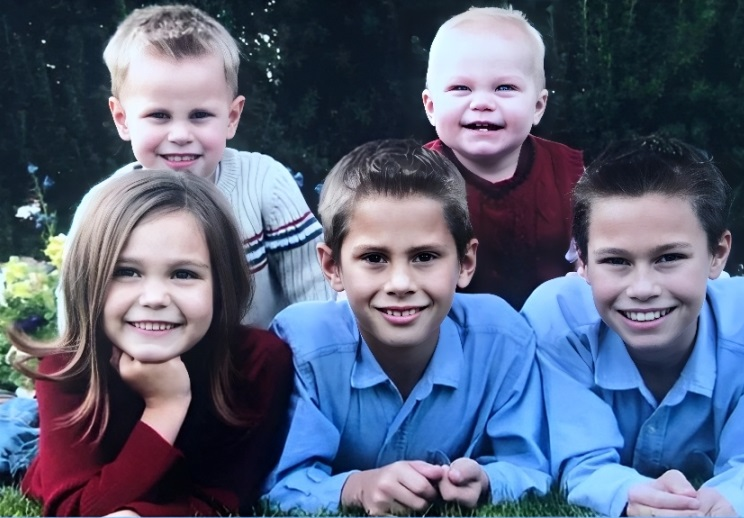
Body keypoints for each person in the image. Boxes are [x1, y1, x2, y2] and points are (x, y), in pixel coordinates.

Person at [521, 136, 744, 516]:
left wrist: (733, 502)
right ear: (582, 261)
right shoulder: (557, 323)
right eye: (616, 261)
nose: (643, 289)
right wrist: (625, 493)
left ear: (717, 254)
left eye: (669, 257)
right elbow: (575, 457)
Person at [260, 139, 550, 515]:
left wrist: (488, 481)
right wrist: (356, 488)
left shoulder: (502, 341)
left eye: (425, 256)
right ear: (333, 267)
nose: (400, 283)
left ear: (465, 262)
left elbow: (531, 466)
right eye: (374, 258)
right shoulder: (303, 346)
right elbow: (278, 485)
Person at [11, 170, 293, 516]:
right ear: (88, 281)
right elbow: (77, 509)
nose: (155, 298)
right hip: (44, 458)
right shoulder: (68, 367)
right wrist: (165, 407)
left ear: (222, 286)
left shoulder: (257, 361)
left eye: (184, 274)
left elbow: (221, 501)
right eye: (126, 272)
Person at [60, 4, 332, 330]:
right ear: (122, 119)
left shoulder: (263, 183)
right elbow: (75, 309)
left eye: (200, 115)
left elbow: (316, 295)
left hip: (260, 359)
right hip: (148, 354)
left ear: (232, 117)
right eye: (159, 115)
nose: (180, 135)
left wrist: (321, 356)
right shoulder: (103, 206)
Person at [422, 6, 584, 310]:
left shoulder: (568, 173)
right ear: (431, 107)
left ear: (538, 106)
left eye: (504, 87)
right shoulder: (414, 179)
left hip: (551, 327)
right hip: (450, 327)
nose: (482, 103)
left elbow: (593, 255)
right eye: (461, 88)